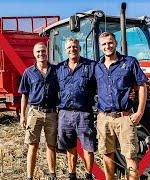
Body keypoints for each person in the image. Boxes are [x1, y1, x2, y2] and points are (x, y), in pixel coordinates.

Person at [95, 32, 148, 180]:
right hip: (104, 118)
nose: (107, 46)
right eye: (104, 44)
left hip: (124, 118)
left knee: (130, 156)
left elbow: (142, 85)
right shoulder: (96, 67)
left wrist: (140, 112)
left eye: (110, 42)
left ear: (116, 43)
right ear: (100, 47)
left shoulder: (130, 62)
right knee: (107, 155)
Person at [56, 38, 96, 180]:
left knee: (88, 146)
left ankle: (88, 175)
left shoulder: (91, 66)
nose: (72, 49)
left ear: (80, 48)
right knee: (70, 147)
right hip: (65, 114)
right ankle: (72, 175)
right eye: (69, 47)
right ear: (65, 50)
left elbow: (104, 83)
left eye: (75, 46)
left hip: (84, 113)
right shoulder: (59, 68)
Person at [18, 42, 59, 180]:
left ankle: (52, 175)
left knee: (51, 145)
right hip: (34, 112)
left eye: (43, 51)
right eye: (38, 52)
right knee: (33, 145)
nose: (41, 54)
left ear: (47, 52)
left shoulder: (55, 71)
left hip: (52, 113)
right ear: (34, 54)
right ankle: (30, 176)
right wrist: (22, 116)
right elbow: (24, 94)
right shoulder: (28, 72)